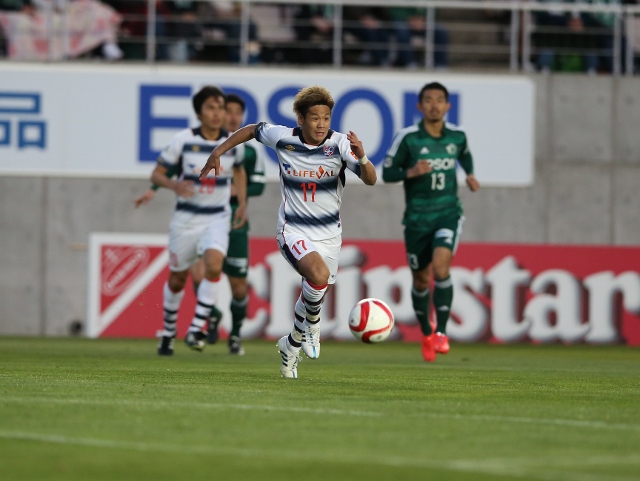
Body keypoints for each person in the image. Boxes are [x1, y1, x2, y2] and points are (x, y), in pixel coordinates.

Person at [199, 85, 377, 379]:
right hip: (292, 229)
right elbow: (251, 130)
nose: (321, 124)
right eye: (315, 118)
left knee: (315, 291)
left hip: (329, 236)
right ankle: (314, 326)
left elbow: (370, 180)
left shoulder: (340, 145)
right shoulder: (283, 138)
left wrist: (363, 157)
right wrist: (218, 151)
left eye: (326, 118)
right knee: (317, 277)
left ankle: (291, 346)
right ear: (301, 119)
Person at [135, 93, 264, 356]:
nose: (218, 113)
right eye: (211, 108)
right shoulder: (183, 140)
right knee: (178, 279)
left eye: (220, 108)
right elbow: (157, 174)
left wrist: (241, 203)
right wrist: (172, 185)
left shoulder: (234, 145)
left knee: (214, 265)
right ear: (199, 113)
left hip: (217, 218)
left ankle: (197, 328)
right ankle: (168, 333)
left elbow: (239, 171)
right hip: (185, 220)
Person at [382, 82, 479, 363]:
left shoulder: (458, 136)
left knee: (440, 267)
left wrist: (470, 175)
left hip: (447, 213)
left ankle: (442, 333)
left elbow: (465, 155)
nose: (434, 105)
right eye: (428, 100)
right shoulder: (408, 138)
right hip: (416, 220)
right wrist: (411, 171)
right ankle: (427, 331)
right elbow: (387, 173)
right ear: (419, 105)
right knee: (421, 279)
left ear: (448, 106)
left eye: (439, 100)